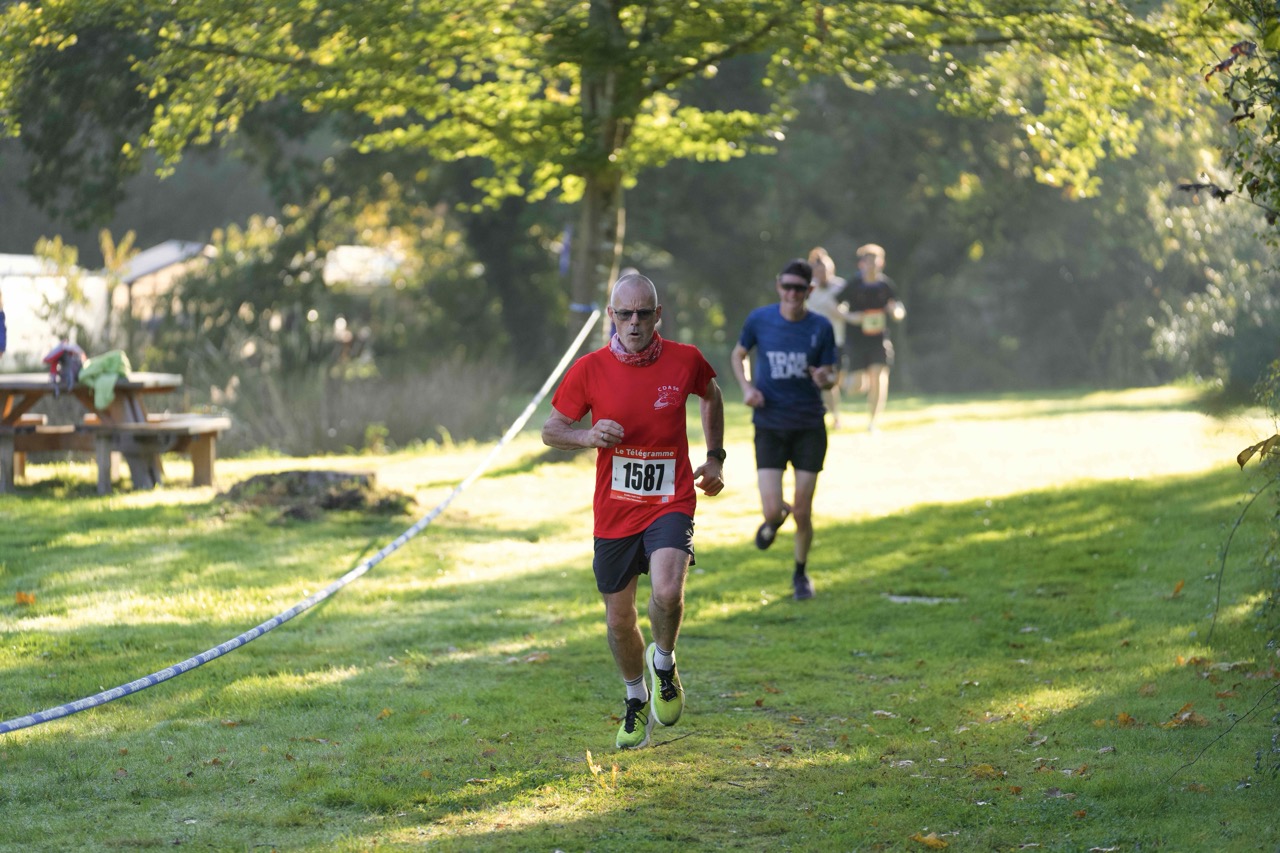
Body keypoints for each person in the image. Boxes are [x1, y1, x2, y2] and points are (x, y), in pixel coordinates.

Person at [542, 271, 726, 750]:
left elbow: (711, 394)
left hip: (670, 500)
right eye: (624, 314)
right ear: (611, 316)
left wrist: (715, 457)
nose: (634, 323)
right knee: (618, 621)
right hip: (616, 511)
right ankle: (635, 696)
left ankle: (663, 662)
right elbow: (551, 429)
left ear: (658, 314)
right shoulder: (589, 369)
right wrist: (587, 435)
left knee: (666, 591)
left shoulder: (686, 360)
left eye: (644, 313)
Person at [730, 258, 838, 601]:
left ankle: (800, 574)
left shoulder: (821, 327)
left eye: (799, 289)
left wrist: (825, 378)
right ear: (779, 286)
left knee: (803, 510)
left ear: (810, 290)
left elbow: (831, 375)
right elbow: (738, 354)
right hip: (770, 425)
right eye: (786, 286)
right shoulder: (760, 319)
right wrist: (747, 388)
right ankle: (773, 522)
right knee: (772, 510)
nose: (792, 294)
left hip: (808, 426)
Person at [844, 243, 905, 433]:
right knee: (855, 387)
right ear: (861, 264)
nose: (871, 265)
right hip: (856, 340)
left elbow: (898, 308)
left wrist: (895, 312)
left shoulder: (886, 285)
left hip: (879, 340)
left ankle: (873, 422)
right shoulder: (853, 284)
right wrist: (851, 317)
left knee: (879, 377)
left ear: (881, 263)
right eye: (867, 261)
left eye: (875, 261)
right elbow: (837, 306)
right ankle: (849, 382)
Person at [805, 247, 848, 429]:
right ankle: (831, 417)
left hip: (838, 340)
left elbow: (849, 311)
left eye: (825, 270)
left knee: (835, 381)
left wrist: (839, 312)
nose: (822, 274)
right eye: (818, 270)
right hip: (814, 342)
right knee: (822, 380)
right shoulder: (808, 289)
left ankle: (833, 413)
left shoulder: (840, 286)